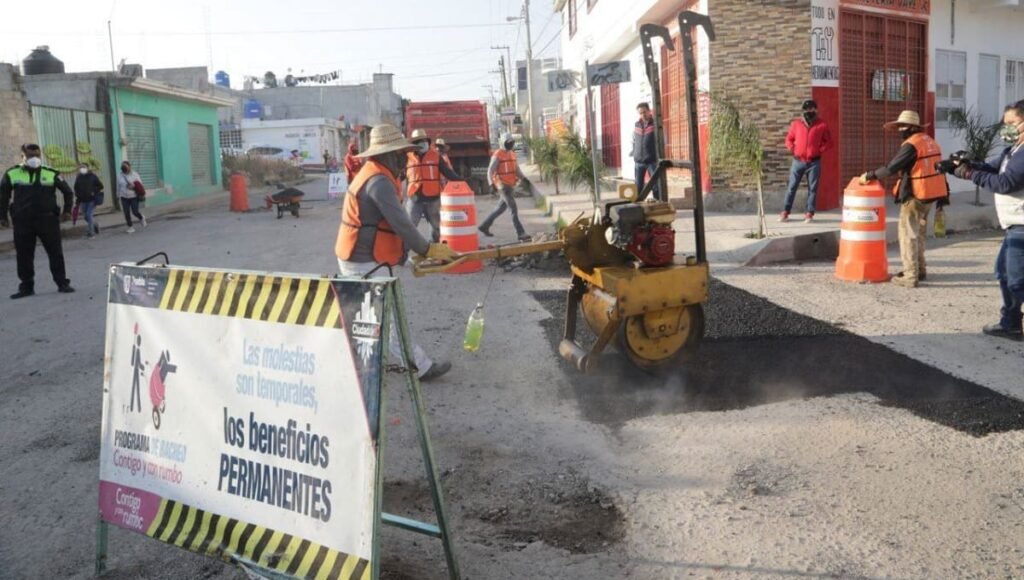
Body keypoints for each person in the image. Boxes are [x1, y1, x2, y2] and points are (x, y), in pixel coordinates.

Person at [334, 123, 459, 381]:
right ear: (387, 155)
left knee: (369, 315)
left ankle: (361, 364)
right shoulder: (378, 182)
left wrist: (405, 258)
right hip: (363, 258)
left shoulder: (376, 174)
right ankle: (419, 367)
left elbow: (388, 226)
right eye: (400, 153)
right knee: (387, 317)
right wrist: (427, 248)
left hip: (363, 256)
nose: (405, 158)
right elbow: (401, 223)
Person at [947, 100, 1024, 340]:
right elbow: (991, 169)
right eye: (1004, 123)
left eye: (1012, 123)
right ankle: (1010, 323)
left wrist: (970, 173)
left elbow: (1005, 183)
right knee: (1004, 274)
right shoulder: (1013, 151)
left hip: (1022, 225)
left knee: (1017, 281)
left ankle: (1012, 322)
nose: (1006, 128)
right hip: (1014, 224)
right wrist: (963, 165)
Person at [860, 110, 948, 288]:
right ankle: (920, 270)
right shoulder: (930, 142)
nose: (900, 129)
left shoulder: (911, 145)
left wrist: (869, 176)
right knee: (919, 234)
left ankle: (910, 275)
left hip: (915, 195)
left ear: (912, 127)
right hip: (931, 194)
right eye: (899, 126)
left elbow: (891, 168)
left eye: (903, 126)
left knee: (908, 235)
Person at [0, 144, 76, 298]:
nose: (34, 159)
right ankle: (26, 287)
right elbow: (3, 197)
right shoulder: (12, 173)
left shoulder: (51, 173)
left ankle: (62, 283)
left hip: (48, 220)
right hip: (23, 222)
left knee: (55, 253)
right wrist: (2, 217)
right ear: (23, 157)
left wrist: (67, 211)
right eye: (30, 156)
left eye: (36, 156)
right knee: (24, 255)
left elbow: (68, 192)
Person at [406, 129, 462, 243]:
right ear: (413, 144)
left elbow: (447, 172)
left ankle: (435, 246)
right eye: (418, 141)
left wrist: (461, 181)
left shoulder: (436, 156)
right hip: (414, 198)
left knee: (437, 227)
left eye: (424, 141)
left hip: (433, 199)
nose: (422, 143)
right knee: (408, 227)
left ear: (427, 141)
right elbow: (400, 174)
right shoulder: (407, 157)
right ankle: (404, 251)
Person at [782, 100, 833, 222]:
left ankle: (809, 213)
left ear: (816, 110)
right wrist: (793, 149)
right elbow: (788, 139)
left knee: (813, 189)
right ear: (803, 111)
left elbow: (829, 142)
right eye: (807, 109)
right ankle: (785, 212)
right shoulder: (796, 124)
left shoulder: (822, 125)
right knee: (792, 187)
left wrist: (819, 150)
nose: (809, 111)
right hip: (798, 162)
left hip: (814, 162)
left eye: (812, 109)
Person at [479, 132, 530, 241]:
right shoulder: (497, 155)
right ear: (502, 143)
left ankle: (484, 226)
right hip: (502, 186)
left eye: (511, 142)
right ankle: (521, 233)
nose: (510, 144)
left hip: (510, 185)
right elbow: (490, 170)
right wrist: (491, 184)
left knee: (500, 209)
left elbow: (516, 170)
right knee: (513, 209)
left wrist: (524, 179)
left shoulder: (512, 154)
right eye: (508, 143)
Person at [631, 102, 659, 199]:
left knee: (656, 185)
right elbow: (633, 140)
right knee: (638, 186)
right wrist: (634, 152)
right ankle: (637, 204)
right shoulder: (636, 125)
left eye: (644, 112)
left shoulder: (655, 125)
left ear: (649, 111)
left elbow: (662, 140)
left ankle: (658, 204)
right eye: (640, 113)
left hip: (652, 161)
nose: (643, 115)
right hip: (639, 161)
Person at [73, 162, 104, 238]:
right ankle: (95, 225)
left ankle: (91, 233)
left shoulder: (92, 176)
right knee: (85, 217)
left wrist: (93, 191)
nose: (82, 168)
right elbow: (76, 188)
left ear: (87, 168)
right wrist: (77, 196)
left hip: (91, 200)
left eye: (83, 167)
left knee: (89, 215)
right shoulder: (78, 177)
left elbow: (100, 186)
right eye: (81, 167)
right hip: (82, 200)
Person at [116, 161, 146, 233]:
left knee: (135, 212)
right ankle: (130, 227)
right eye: (123, 167)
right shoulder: (119, 175)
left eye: (125, 167)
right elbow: (118, 186)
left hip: (133, 196)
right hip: (124, 197)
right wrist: (117, 195)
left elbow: (140, 184)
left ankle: (141, 217)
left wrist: (133, 186)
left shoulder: (134, 174)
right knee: (126, 212)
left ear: (129, 167)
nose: (124, 169)